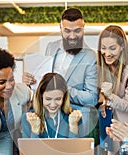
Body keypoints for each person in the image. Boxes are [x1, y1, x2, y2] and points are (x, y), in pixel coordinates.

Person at [23, 8, 98, 137]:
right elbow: (45, 78)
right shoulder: (51, 46)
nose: (72, 36)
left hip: (71, 116)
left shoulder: (91, 57)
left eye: (77, 31)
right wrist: (31, 81)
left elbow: (92, 98)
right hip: (46, 113)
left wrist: (62, 89)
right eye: (67, 31)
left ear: (84, 28)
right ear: (60, 28)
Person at [97, 25, 128, 155]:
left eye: (112, 48)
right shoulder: (105, 67)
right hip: (108, 126)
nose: (107, 53)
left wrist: (109, 96)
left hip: (125, 128)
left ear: (122, 47)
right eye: (103, 48)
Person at [22, 73, 82, 138]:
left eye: (58, 99)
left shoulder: (74, 116)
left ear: (64, 97)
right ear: (41, 96)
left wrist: (73, 126)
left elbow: (77, 147)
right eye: (48, 99)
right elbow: (28, 148)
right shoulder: (28, 118)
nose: (53, 105)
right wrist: (35, 130)